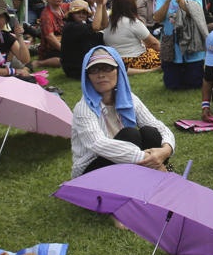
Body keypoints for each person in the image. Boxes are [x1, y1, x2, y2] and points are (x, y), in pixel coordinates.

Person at [70, 46, 174, 176]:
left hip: (127, 158)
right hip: (91, 170)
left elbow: (157, 125)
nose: (101, 75)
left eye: (107, 68)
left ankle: (149, 175)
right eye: (94, 70)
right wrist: (148, 158)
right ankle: (155, 172)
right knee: (130, 135)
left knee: (150, 132)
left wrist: (166, 149)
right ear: (87, 76)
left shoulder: (128, 98)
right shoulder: (83, 108)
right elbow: (98, 144)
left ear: (118, 71)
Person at [153, 0, 207, 90]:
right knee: (172, 86)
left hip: (191, 43)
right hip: (171, 44)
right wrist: (168, 0)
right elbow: (157, 18)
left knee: (194, 84)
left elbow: (193, 12)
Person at [96, 0, 161, 73]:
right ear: (132, 4)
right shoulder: (133, 22)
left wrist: (103, 5)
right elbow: (154, 43)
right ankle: (152, 70)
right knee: (166, 58)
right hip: (133, 59)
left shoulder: (110, 21)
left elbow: (102, 24)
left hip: (115, 60)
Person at [59, 0, 102, 79]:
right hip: (76, 69)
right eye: (78, 12)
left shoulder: (83, 25)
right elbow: (96, 27)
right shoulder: (71, 26)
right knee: (113, 68)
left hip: (84, 65)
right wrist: (99, 5)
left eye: (84, 13)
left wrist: (103, 5)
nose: (81, 15)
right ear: (71, 14)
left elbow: (102, 26)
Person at [34, 0, 67, 68]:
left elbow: (76, 5)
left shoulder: (63, 7)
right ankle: (40, 63)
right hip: (51, 49)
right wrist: (65, 50)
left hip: (63, 43)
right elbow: (50, 37)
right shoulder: (46, 15)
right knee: (65, 60)